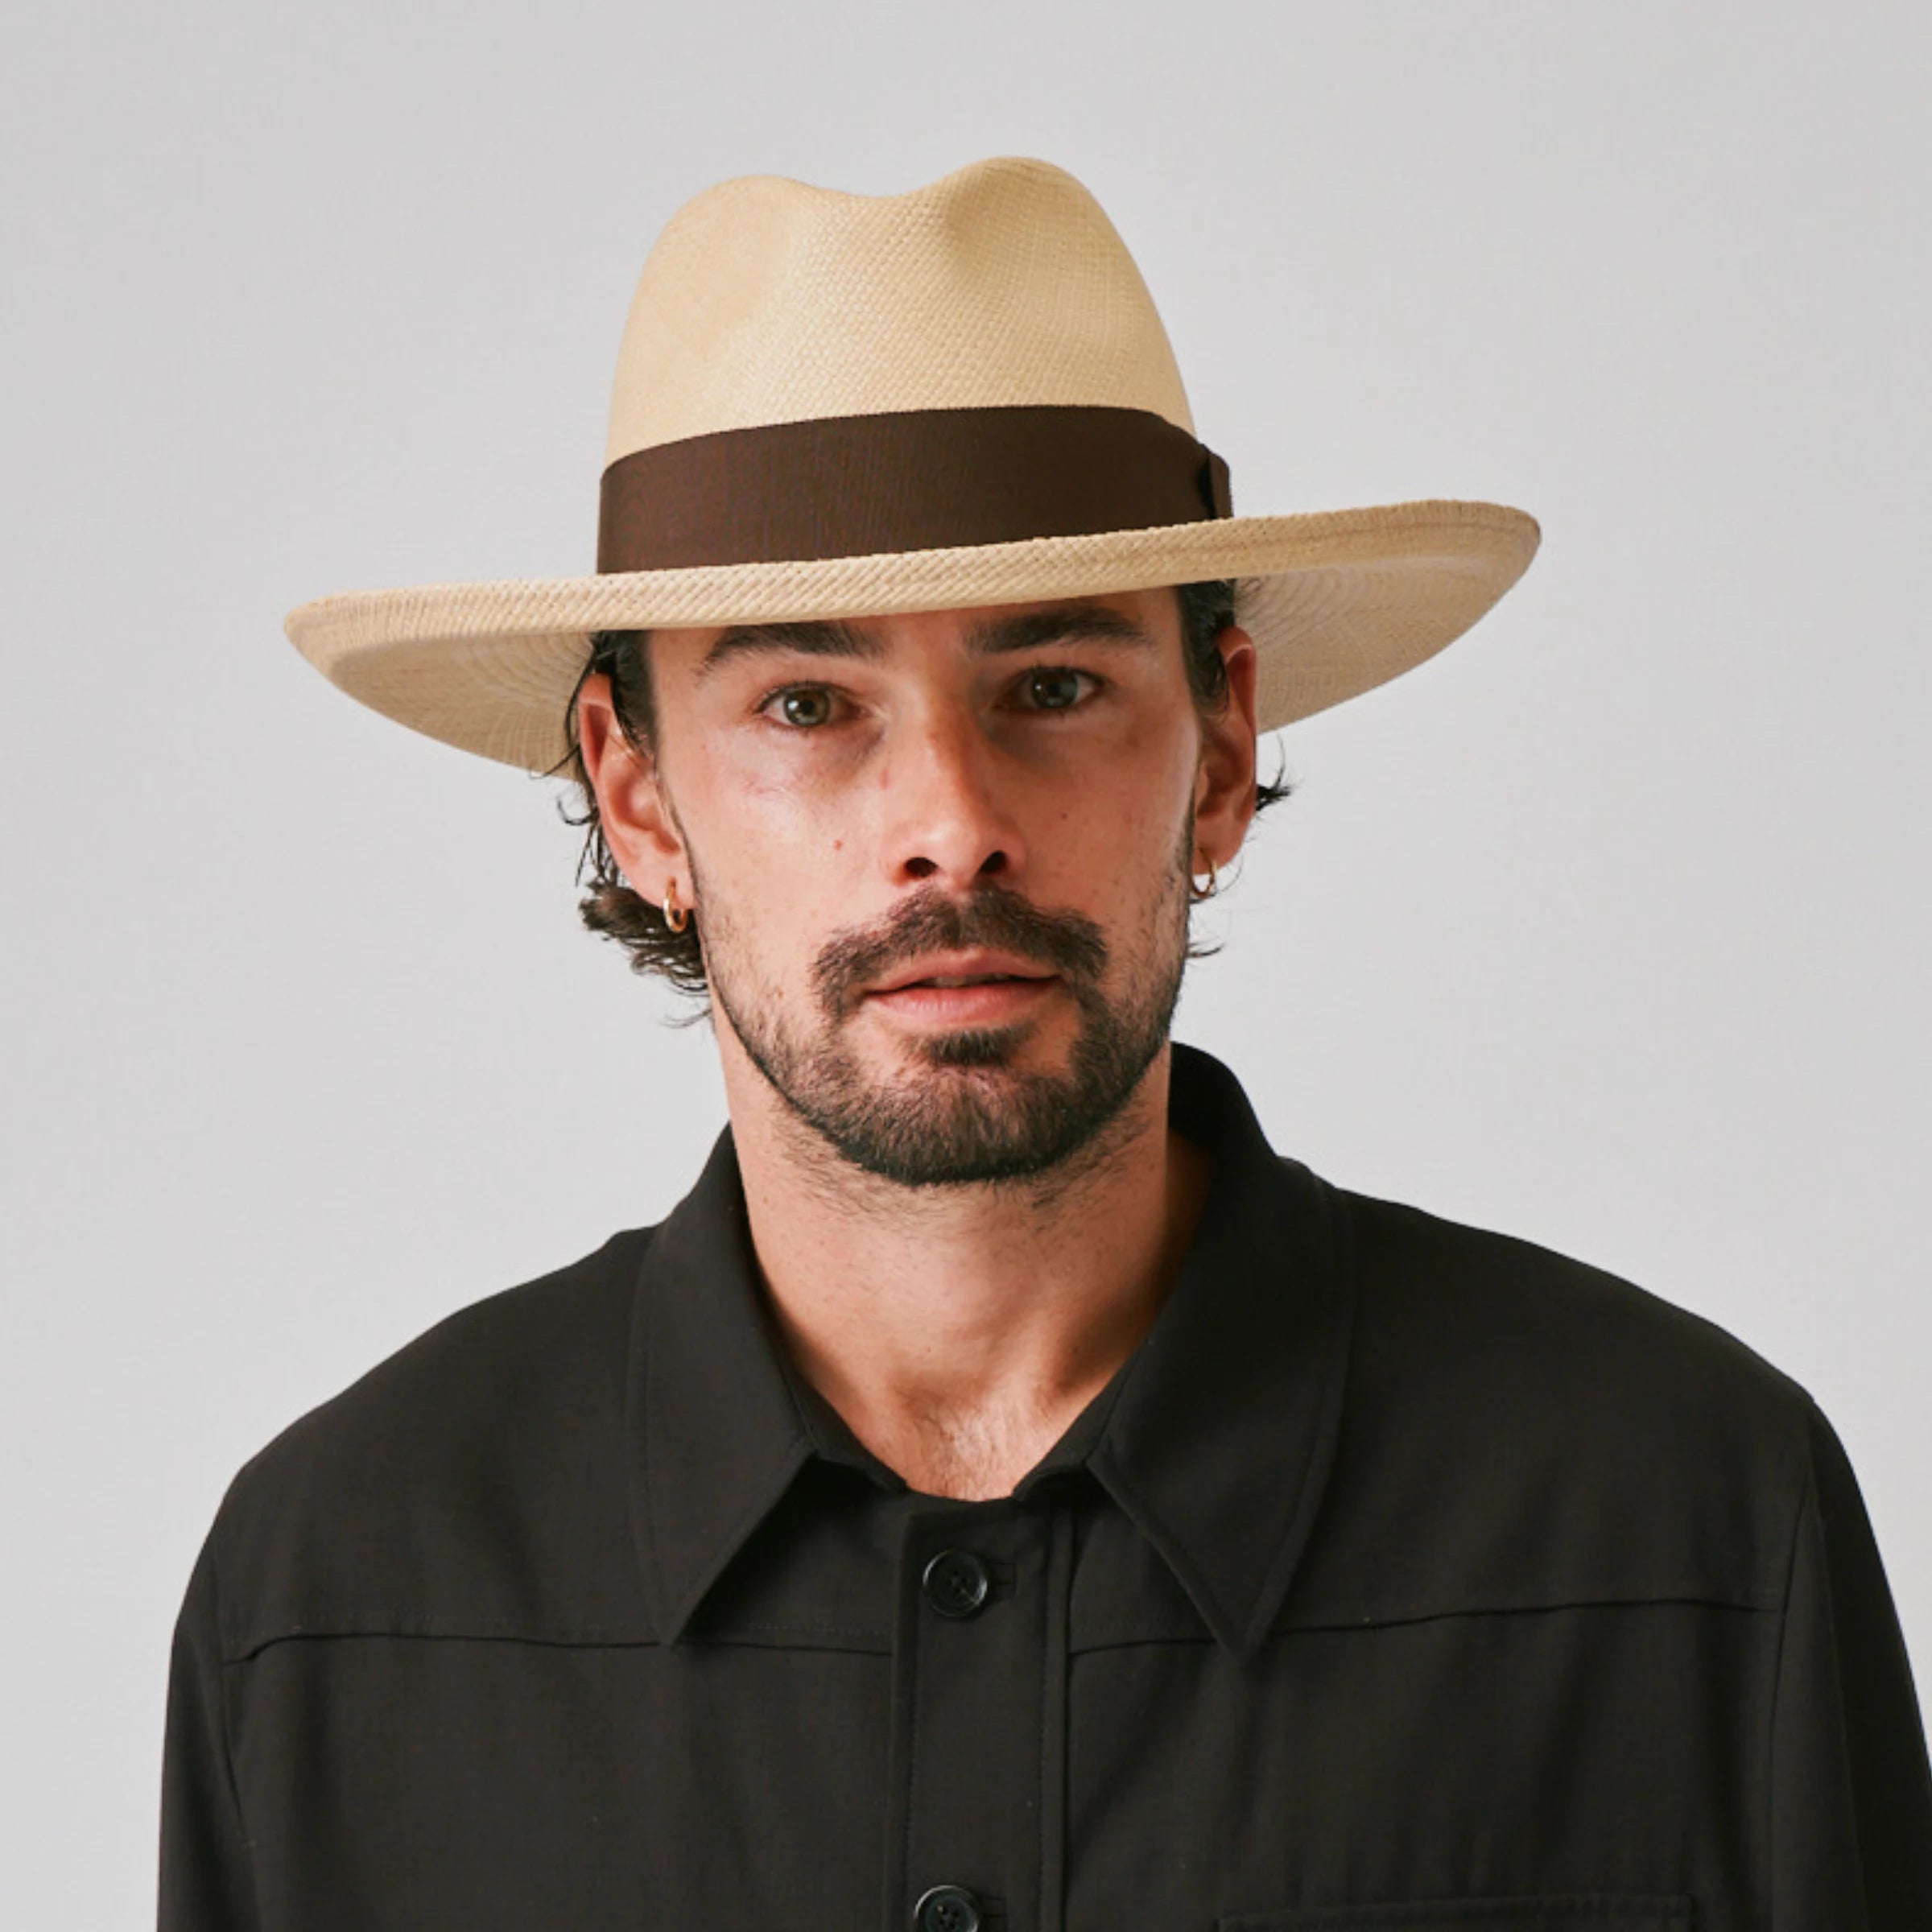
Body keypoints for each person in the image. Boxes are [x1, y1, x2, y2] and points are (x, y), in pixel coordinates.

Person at [159, 156, 1932, 1931]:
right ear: (640, 798)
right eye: (805, 703)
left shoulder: (1681, 1533)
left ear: (1221, 748)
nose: (949, 820)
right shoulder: (337, 1602)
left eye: (1056, 686)